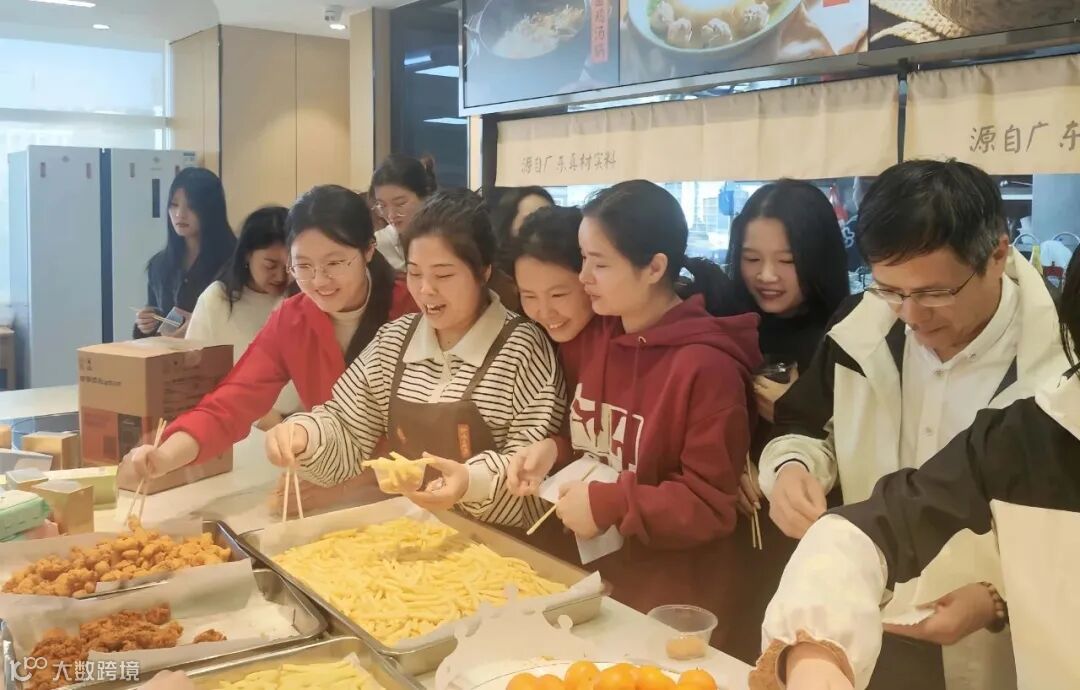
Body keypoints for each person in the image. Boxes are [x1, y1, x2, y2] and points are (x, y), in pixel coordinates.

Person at [757, 160, 1069, 689]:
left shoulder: (1057, 366)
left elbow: (1064, 538)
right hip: (863, 619)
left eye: (934, 293)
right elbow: (803, 425)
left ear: (997, 254)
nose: (910, 314)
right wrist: (790, 469)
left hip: (990, 651)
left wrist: (998, 599)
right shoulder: (861, 327)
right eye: (890, 289)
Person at [506, 180, 762, 646]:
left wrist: (609, 504)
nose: (584, 277)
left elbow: (708, 506)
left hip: (674, 605)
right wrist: (554, 450)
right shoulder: (597, 336)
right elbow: (603, 444)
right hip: (601, 586)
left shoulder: (707, 368)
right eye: (583, 258)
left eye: (600, 264)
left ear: (654, 267)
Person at [264, 188, 567, 528]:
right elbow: (346, 428)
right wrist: (305, 435)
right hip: (415, 532)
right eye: (415, 273)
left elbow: (531, 469)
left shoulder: (522, 349)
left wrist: (469, 483)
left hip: (503, 543)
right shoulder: (394, 342)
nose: (425, 290)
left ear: (483, 272)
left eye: (443, 275)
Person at [120, 185, 416, 508]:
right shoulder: (293, 318)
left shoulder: (412, 308)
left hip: (415, 495)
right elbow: (231, 402)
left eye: (334, 263)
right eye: (303, 266)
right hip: (333, 485)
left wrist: (348, 487)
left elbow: (429, 429)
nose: (319, 281)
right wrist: (164, 457)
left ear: (369, 250)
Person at [725, 180, 850, 663]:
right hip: (736, 532)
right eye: (751, 258)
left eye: (787, 260)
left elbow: (858, 448)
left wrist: (795, 411)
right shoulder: (729, 322)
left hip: (808, 536)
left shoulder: (846, 334)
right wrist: (730, 464)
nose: (767, 275)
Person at [185, 205, 300, 429]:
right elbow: (194, 379)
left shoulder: (301, 301)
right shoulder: (217, 300)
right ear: (247, 254)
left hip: (299, 427)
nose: (280, 276)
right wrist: (256, 417)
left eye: (290, 267)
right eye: (270, 265)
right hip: (235, 427)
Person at [134, 168, 236, 339]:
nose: (179, 214)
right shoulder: (159, 265)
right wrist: (147, 323)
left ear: (211, 209)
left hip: (218, 352)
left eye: (192, 206)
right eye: (174, 205)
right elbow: (158, 323)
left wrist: (198, 326)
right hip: (170, 354)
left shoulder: (234, 260)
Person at [509, 205, 595, 381]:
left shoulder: (622, 340)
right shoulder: (526, 344)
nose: (545, 312)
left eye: (558, 295)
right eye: (529, 296)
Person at [370, 154, 437, 272]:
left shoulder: (447, 238)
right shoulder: (378, 245)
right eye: (382, 205)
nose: (391, 215)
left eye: (400, 203)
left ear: (426, 196)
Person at [492, 186, 555, 272]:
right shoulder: (492, 273)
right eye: (529, 219)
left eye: (547, 218)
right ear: (508, 224)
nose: (541, 226)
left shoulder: (564, 268)